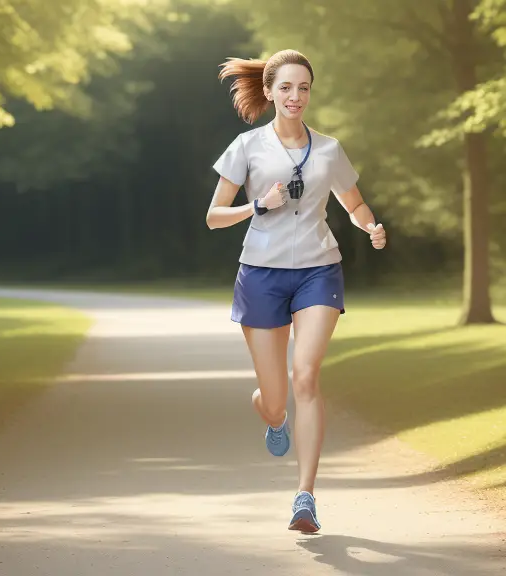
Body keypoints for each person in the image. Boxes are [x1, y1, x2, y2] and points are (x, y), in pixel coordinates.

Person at [206, 49, 387, 533]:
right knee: (276, 397)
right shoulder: (246, 147)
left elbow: (355, 202)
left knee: (306, 376)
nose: (295, 96)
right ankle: (271, 412)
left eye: (303, 87)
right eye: (285, 87)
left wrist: (371, 225)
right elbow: (213, 216)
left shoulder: (328, 149)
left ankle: (305, 497)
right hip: (260, 273)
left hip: (317, 270)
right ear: (269, 91)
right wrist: (257, 207)